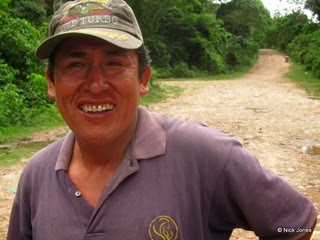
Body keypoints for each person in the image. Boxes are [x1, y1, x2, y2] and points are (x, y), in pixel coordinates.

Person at [7, 0, 318, 239]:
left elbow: (292, 226)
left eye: (114, 63)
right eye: (76, 64)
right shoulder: (37, 175)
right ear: (51, 82)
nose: (96, 84)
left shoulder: (206, 155)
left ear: (143, 78)